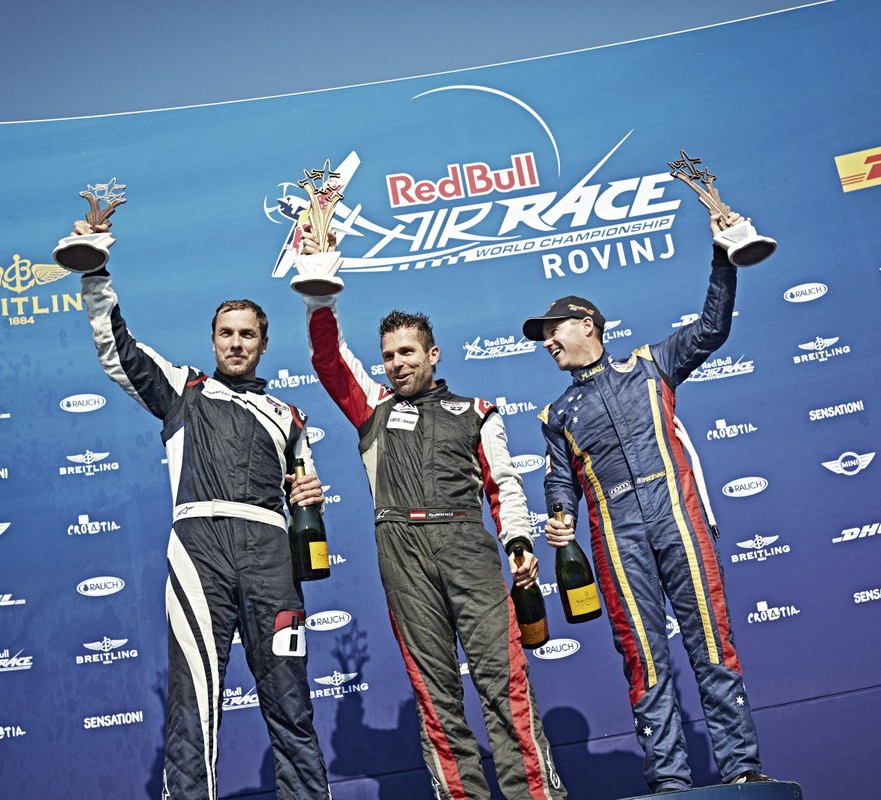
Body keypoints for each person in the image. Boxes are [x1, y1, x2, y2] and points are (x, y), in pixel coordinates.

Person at [296, 228, 566, 800]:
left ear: (433, 354)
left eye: (408, 353)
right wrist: (320, 291)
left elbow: (504, 485)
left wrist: (519, 542)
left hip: (469, 549)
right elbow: (328, 358)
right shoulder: (371, 408)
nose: (397, 364)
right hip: (402, 553)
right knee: (435, 693)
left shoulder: (477, 411)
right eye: (388, 355)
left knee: (504, 683)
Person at [70, 217, 330, 800]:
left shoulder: (290, 418)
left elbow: (306, 503)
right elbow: (118, 351)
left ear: (264, 344)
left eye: (247, 335)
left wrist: (310, 498)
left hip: (272, 562)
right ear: (213, 341)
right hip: (199, 556)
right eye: (226, 334)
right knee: (193, 706)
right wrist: (95, 275)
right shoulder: (184, 391)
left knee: (291, 705)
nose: (236, 344)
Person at [521, 212, 772, 791]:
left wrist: (722, 256)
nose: (547, 342)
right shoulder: (557, 414)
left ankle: (742, 770)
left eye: (553, 330)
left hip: (678, 518)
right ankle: (670, 783)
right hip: (617, 540)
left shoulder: (651, 365)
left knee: (712, 642)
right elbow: (560, 482)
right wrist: (559, 518)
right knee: (643, 658)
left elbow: (712, 327)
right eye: (542, 337)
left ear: (586, 324)